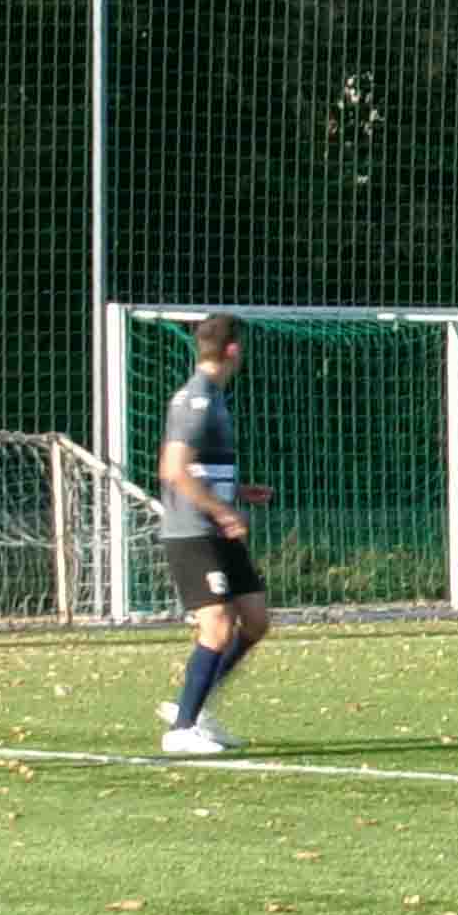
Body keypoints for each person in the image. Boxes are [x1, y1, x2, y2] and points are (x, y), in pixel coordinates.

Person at [153, 314, 276, 757]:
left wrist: (237, 492)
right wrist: (222, 511)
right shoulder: (196, 400)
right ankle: (182, 728)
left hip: (216, 529)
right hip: (194, 532)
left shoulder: (215, 398)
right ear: (233, 350)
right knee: (218, 625)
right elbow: (173, 470)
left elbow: (200, 469)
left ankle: (195, 706)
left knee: (255, 620)